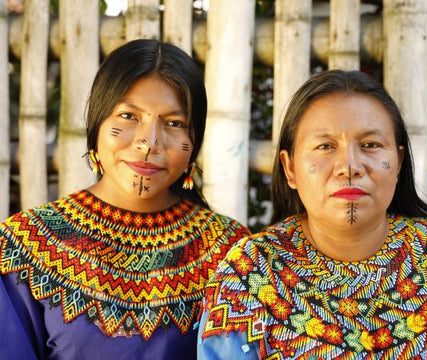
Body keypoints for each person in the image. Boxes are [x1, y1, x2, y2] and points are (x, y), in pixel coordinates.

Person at [197, 70, 427, 359]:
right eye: (325, 146)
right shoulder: (249, 275)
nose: (349, 166)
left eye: (370, 145)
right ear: (290, 167)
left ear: (398, 161)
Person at [0, 39, 250, 360]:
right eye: (129, 116)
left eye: (174, 123)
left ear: (195, 141)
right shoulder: (23, 246)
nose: (149, 142)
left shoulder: (232, 252)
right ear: (97, 125)